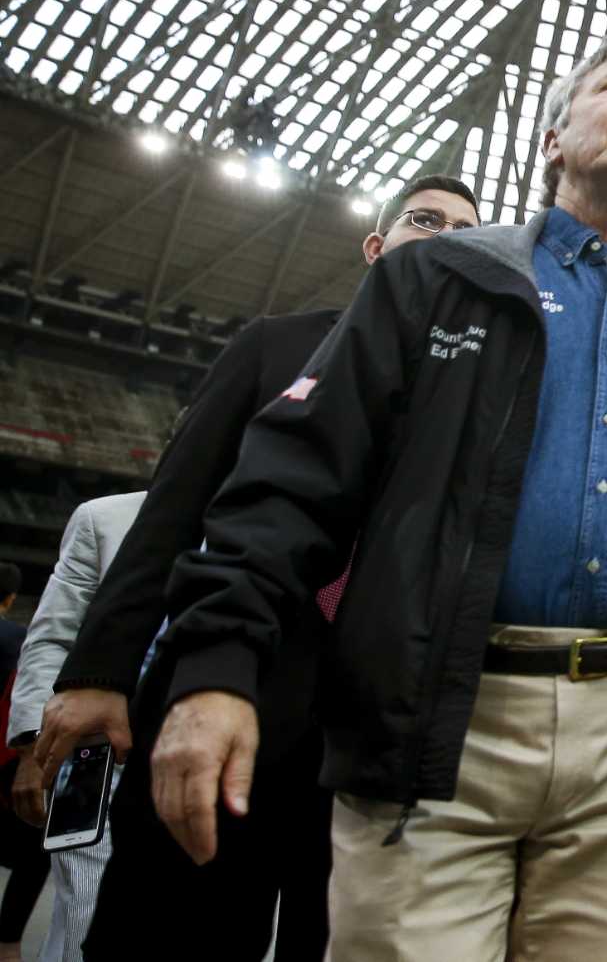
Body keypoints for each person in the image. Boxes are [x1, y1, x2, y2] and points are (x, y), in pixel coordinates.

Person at [141, 38, 607, 961]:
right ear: (552, 140)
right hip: (432, 715)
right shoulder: (434, 280)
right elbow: (293, 477)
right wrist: (217, 666)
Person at [29, 173, 479, 962]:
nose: (443, 237)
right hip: (233, 683)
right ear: (376, 248)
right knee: (172, 931)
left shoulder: (478, 395)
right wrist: (98, 667)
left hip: (376, 730)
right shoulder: (276, 343)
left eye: (464, 233)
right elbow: (173, 507)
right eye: (424, 219)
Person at [6, 492, 143, 962]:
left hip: (216, 764)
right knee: (84, 918)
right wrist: (31, 750)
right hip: (97, 759)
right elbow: (51, 636)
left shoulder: (273, 524)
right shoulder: (105, 519)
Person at [0, 565, 48, 962]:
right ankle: (8, 943)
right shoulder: (19, 640)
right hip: (9, 755)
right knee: (35, 853)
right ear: (10, 599)